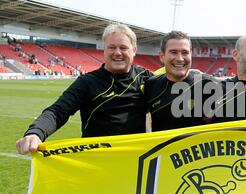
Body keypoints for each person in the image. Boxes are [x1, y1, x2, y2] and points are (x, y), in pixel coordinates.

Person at [16, 24, 154, 154]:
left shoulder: (145, 77)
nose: (117, 53)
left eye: (123, 48)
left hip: (135, 161)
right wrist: (35, 132)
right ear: (104, 50)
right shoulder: (87, 82)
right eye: (111, 47)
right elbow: (58, 111)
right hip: (96, 161)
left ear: (134, 50)